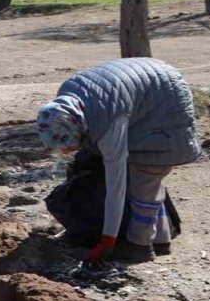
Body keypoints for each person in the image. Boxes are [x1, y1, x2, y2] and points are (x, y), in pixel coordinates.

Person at [36, 57, 201, 265]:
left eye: (68, 143)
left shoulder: (108, 124)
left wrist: (108, 240)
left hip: (164, 103)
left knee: (145, 176)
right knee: (102, 167)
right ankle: (160, 239)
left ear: (76, 125)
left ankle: (140, 246)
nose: (67, 150)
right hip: (141, 90)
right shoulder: (65, 104)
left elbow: (117, 188)